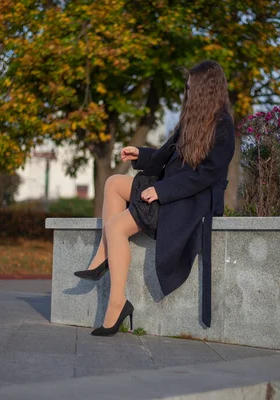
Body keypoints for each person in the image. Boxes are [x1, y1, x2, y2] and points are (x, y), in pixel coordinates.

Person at [74, 60, 235, 336]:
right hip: (171, 189)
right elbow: (168, 156)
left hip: (188, 202)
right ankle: (102, 256)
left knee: (115, 227)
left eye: (190, 87)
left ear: (206, 90)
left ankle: (117, 304)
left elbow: (204, 176)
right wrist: (141, 154)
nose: (186, 92)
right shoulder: (192, 120)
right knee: (113, 183)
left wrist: (162, 191)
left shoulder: (223, 127)